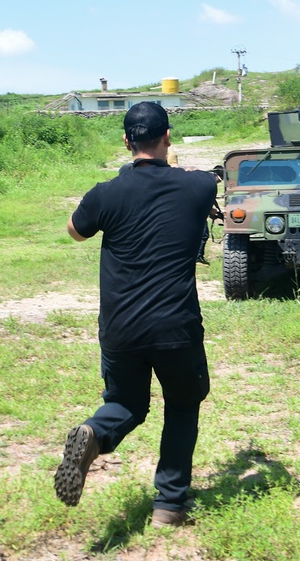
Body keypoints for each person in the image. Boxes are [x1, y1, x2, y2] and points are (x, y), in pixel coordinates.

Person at [56, 102, 217, 528]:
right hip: (176, 327)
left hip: (120, 327)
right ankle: (169, 505)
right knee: (182, 405)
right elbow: (200, 183)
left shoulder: (105, 194)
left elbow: (74, 231)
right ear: (168, 137)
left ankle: (95, 433)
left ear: (126, 141)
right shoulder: (199, 188)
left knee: (127, 403)